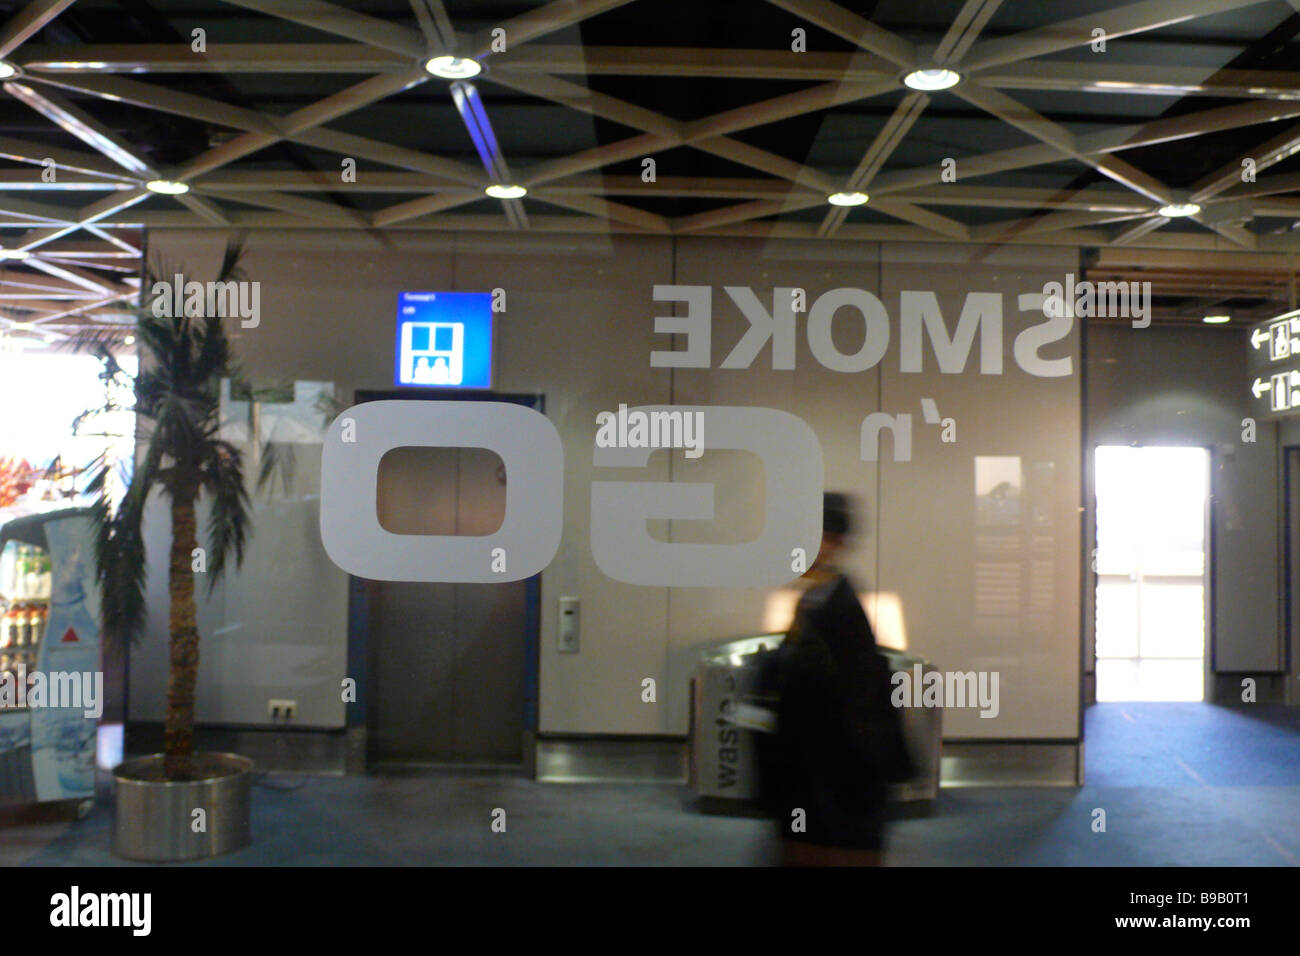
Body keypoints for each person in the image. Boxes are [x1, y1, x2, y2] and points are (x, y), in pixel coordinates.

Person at [754, 492, 912, 866]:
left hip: (837, 786)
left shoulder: (839, 608)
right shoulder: (814, 600)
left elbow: (855, 698)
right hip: (813, 782)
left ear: (833, 543)